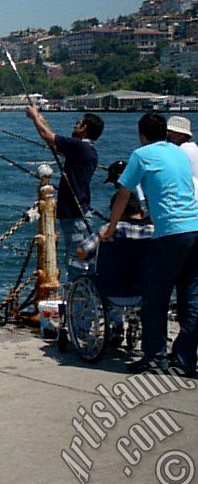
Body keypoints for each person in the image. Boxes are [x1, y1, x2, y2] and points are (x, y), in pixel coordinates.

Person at [101, 112, 198, 377]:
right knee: (191, 297)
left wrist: (110, 229)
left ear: (141, 134)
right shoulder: (179, 153)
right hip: (195, 226)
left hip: (170, 233)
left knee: (155, 297)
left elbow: (123, 194)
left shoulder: (141, 155)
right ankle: (185, 358)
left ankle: (155, 358)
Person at [26, 106, 104, 279]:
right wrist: (39, 117)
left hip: (75, 215)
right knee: (78, 258)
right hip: (76, 213)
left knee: (77, 261)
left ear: (84, 128)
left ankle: (79, 300)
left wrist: (34, 117)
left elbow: (49, 136)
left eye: (78, 123)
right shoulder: (83, 149)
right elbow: (52, 141)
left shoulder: (80, 147)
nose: (74, 125)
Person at [166, 115, 198, 188]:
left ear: (182, 135)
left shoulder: (183, 149)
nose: (167, 135)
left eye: (170, 132)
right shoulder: (193, 148)